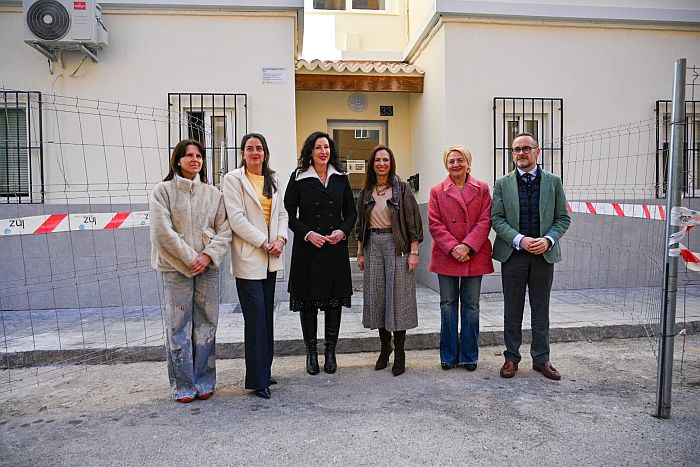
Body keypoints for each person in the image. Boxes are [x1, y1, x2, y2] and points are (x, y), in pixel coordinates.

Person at [149, 139, 232, 403]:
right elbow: (162, 232)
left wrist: (207, 256)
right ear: (178, 159)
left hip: (207, 268)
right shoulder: (162, 192)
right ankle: (183, 385)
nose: (195, 160)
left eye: (199, 156)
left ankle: (205, 380)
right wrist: (190, 258)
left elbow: (225, 230)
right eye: (189, 156)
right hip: (175, 269)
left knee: (207, 323)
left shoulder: (214, 194)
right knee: (178, 326)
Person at [491, 132, 571, 380]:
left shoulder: (553, 182)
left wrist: (548, 240)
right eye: (516, 149)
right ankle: (511, 358)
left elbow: (563, 218)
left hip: (543, 255)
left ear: (537, 152)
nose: (521, 153)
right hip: (513, 255)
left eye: (526, 148)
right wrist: (519, 239)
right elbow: (497, 218)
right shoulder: (502, 183)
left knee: (541, 309)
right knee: (512, 309)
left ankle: (541, 359)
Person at [284, 131, 357, 375]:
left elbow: (351, 212)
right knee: (308, 303)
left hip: (334, 249)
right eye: (318, 147)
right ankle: (311, 353)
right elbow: (288, 214)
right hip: (308, 249)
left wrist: (342, 232)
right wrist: (307, 234)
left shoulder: (341, 177)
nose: (323, 151)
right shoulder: (299, 177)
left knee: (334, 301)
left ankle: (330, 353)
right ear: (310, 151)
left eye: (326, 147)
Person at [222, 133, 288, 400]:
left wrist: (280, 239)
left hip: (271, 257)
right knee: (256, 318)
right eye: (249, 148)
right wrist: (264, 242)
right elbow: (236, 219)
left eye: (259, 148)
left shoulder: (273, 178)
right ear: (242, 153)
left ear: (265, 152)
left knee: (266, 318)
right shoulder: (233, 179)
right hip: (250, 257)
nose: (255, 152)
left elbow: (281, 213)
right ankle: (257, 380)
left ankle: (265, 371)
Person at [355, 145, 423, 376]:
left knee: (398, 298)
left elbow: (413, 221)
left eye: (385, 160)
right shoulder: (366, 191)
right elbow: (360, 224)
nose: (381, 164)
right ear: (372, 164)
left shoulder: (401, 189)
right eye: (377, 160)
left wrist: (414, 252)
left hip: (397, 245)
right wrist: (360, 253)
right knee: (378, 298)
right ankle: (385, 348)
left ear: (391, 163)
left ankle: (400, 351)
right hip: (373, 244)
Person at [428, 146, 494, 372]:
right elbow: (434, 223)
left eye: (460, 160)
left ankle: (469, 356)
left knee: (471, 306)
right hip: (447, 255)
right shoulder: (437, 191)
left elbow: (485, 220)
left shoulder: (482, 188)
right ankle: (448, 356)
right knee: (447, 305)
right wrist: (453, 247)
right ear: (446, 165)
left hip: (474, 254)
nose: (455, 164)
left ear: (468, 163)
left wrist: (467, 246)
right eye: (451, 161)